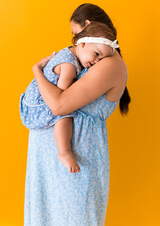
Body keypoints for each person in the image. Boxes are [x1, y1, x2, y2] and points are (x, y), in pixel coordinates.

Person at [24, 3, 131, 226]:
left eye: (76, 34)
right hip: (49, 162)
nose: (74, 43)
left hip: (75, 161)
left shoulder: (108, 63)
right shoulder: (88, 59)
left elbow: (59, 105)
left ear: (88, 27)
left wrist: (36, 70)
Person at [20, 21, 120, 174]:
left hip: (32, 102)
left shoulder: (69, 53)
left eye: (101, 60)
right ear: (82, 44)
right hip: (38, 106)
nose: (96, 62)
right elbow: (59, 102)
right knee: (65, 114)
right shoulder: (69, 67)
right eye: (97, 54)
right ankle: (64, 151)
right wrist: (37, 70)